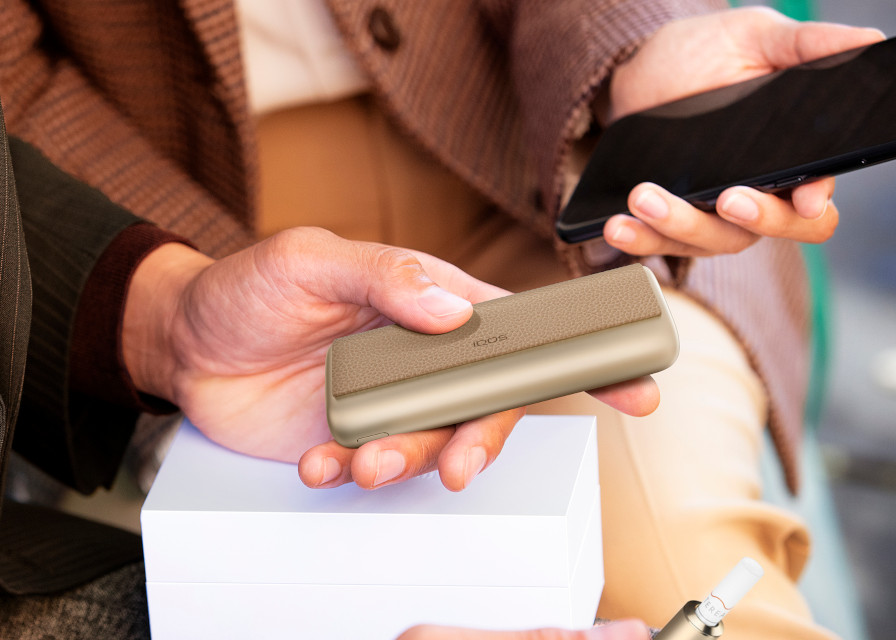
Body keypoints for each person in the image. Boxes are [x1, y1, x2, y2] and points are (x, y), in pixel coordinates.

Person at [0, 1, 883, 638]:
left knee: (680, 560)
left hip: (549, 168)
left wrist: (631, 55)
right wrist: (162, 302)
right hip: (164, 197)